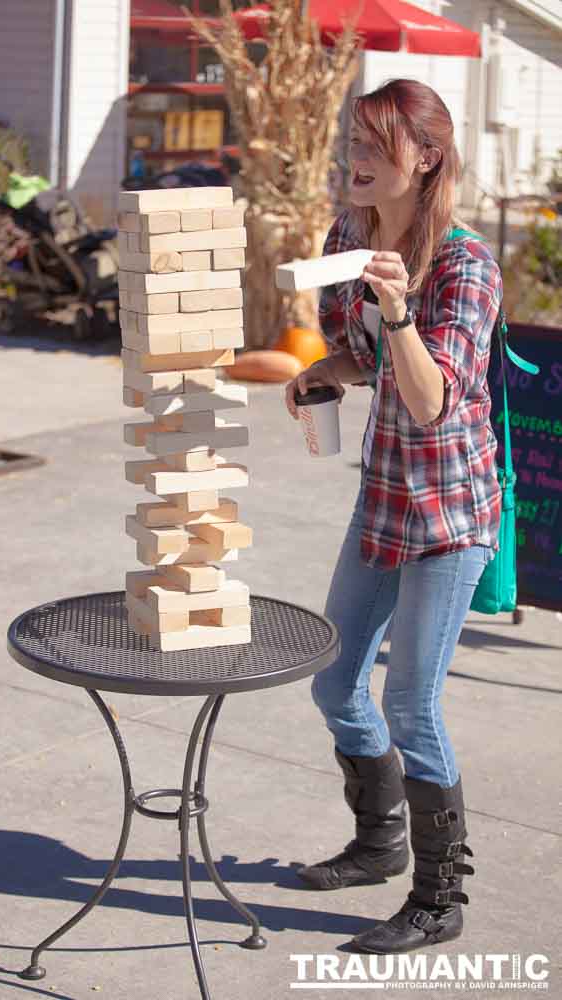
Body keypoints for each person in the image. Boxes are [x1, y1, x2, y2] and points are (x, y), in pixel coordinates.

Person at [284, 78, 502, 955]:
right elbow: (365, 360)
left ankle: (438, 897)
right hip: (383, 492)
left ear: (427, 158)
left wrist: (399, 310)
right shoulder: (346, 236)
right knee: (335, 680)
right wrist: (325, 372)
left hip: (449, 506)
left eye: (375, 147)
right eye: (353, 143)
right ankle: (378, 844)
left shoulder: (463, 264)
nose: (355, 161)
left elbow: (428, 399)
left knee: (411, 703)